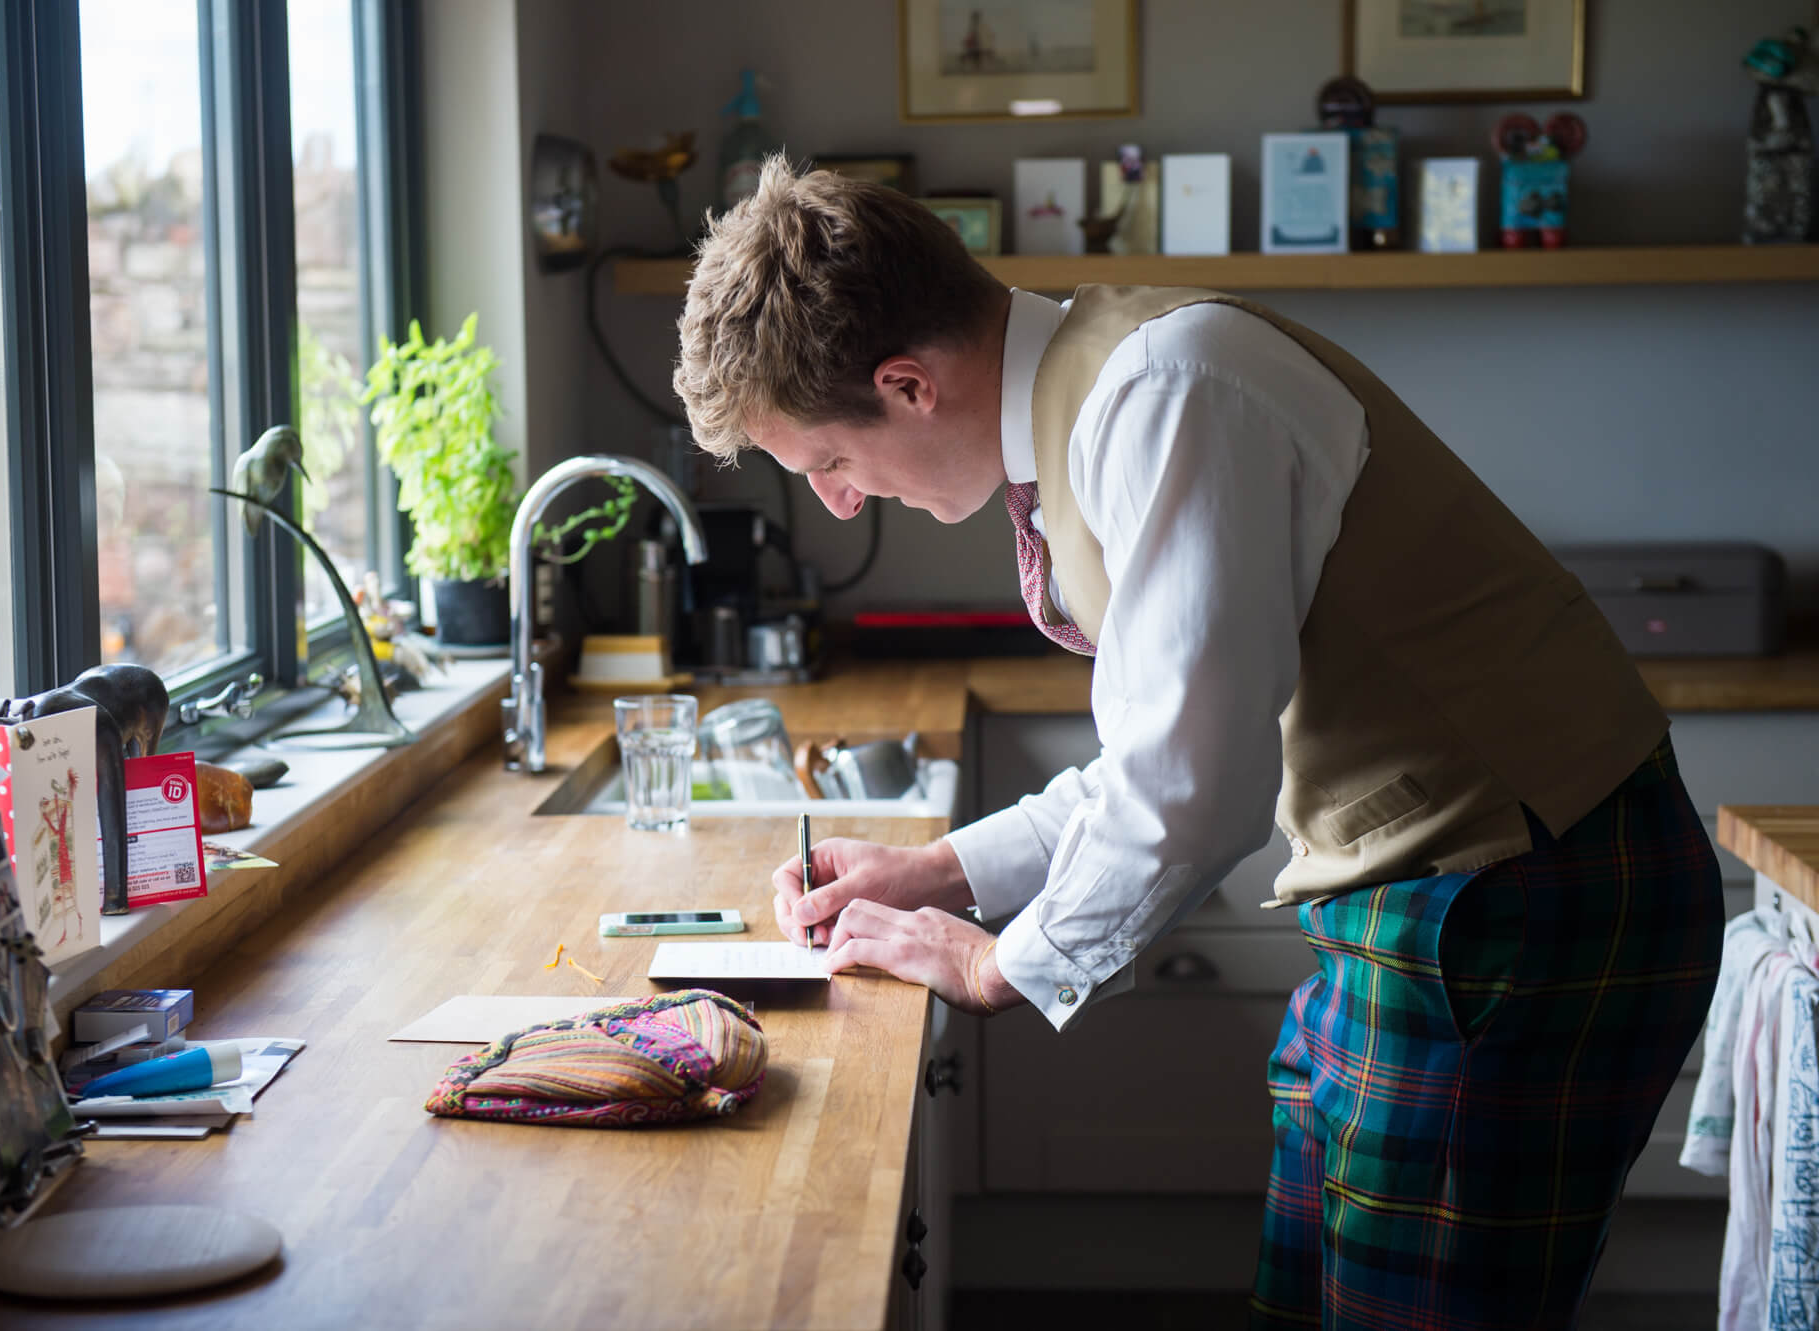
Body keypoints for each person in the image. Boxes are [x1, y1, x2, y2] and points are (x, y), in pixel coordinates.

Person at [671, 158, 1723, 1329]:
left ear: (907, 384)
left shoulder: (1165, 390)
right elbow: (1161, 748)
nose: (839, 503)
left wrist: (995, 963)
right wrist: (937, 870)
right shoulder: (1103, 394)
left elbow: (1192, 786)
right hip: (1418, 904)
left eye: (824, 463)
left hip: (1519, 901)